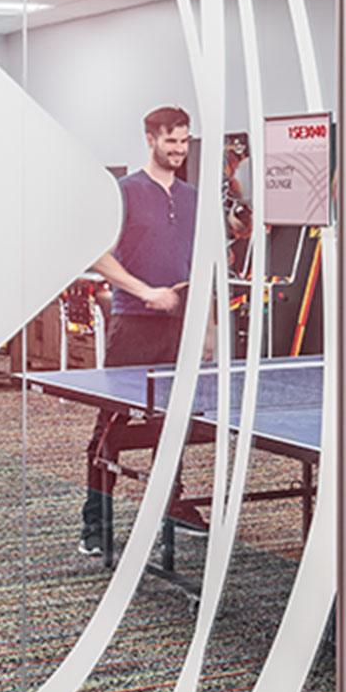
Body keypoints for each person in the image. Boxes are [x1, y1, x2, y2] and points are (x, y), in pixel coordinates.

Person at [80, 106, 203, 557]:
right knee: (112, 426)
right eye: (171, 141)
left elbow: (195, 260)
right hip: (133, 324)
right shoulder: (126, 192)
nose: (178, 149)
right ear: (150, 140)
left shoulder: (191, 197)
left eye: (185, 141)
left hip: (179, 329)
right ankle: (96, 522)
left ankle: (170, 504)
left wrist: (202, 324)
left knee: (172, 423)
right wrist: (145, 291)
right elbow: (99, 256)